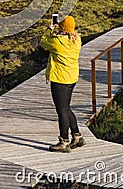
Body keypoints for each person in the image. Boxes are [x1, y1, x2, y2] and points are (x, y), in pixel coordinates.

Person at [40, 15, 86, 152]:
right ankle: (77, 136)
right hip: (72, 78)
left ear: (61, 27)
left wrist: (50, 29)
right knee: (66, 108)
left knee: (61, 111)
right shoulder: (77, 40)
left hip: (60, 79)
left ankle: (64, 142)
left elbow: (43, 42)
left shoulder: (57, 41)